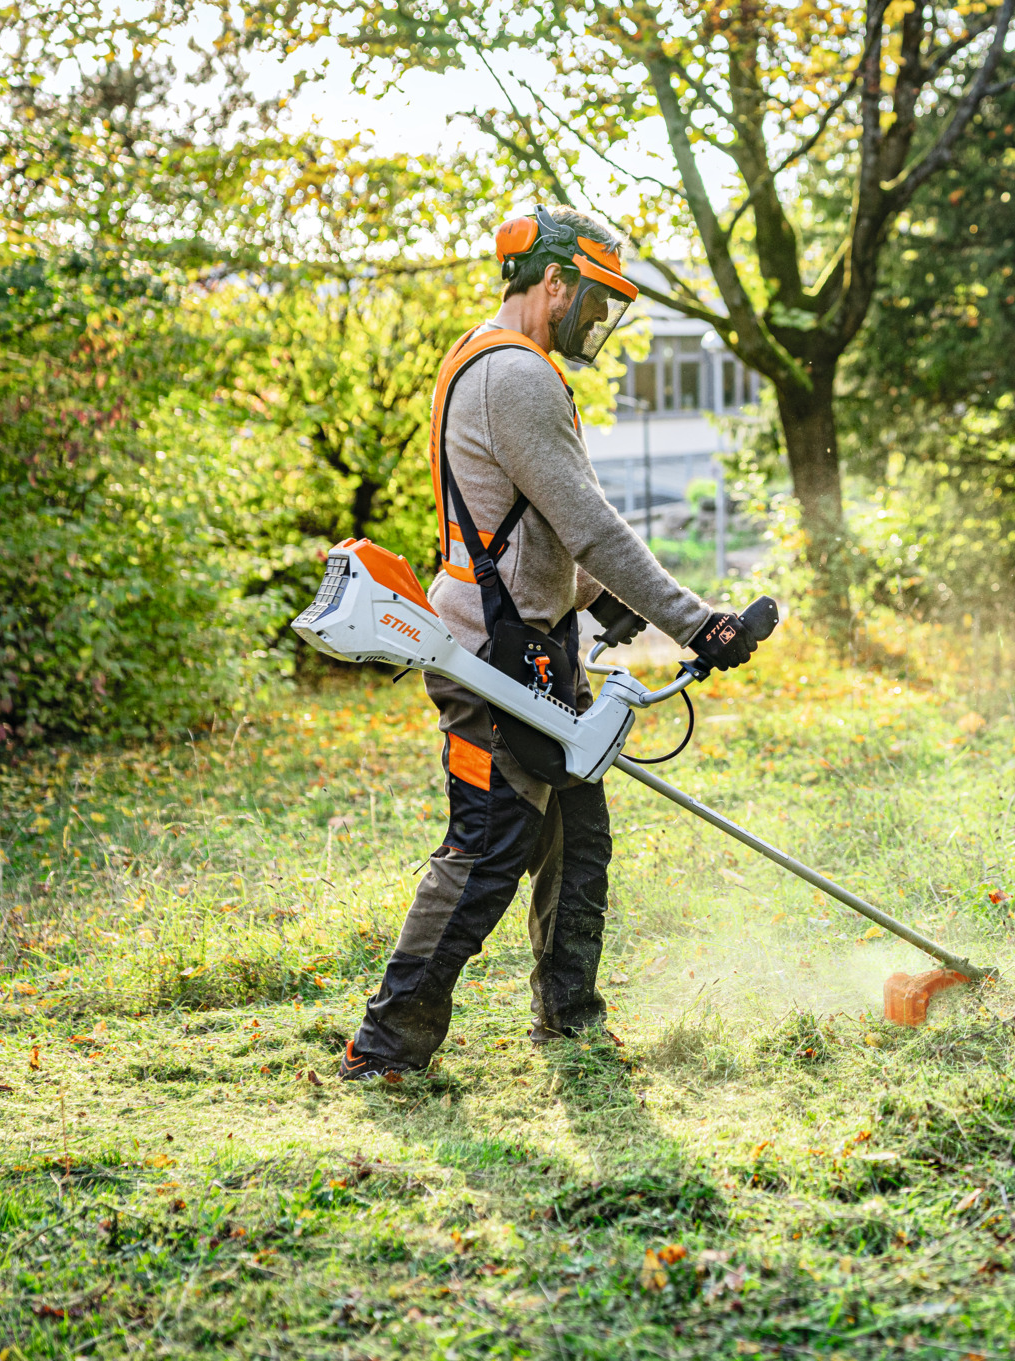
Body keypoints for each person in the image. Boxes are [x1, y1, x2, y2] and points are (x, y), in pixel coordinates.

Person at [340, 204, 759, 1079]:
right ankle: (385, 1047)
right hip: (495, 653)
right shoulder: (517, 376)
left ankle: (569, 1021)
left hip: (535, 641)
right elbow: (592, 525)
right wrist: (697, 622)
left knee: (578, 839)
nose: (597, 319)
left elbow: (536, 529)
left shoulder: (486, 360)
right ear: (554, 281)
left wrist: (604, 607)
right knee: (490, 846)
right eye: (594, 299)